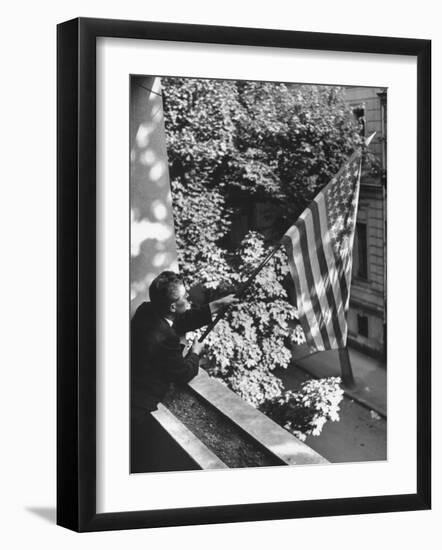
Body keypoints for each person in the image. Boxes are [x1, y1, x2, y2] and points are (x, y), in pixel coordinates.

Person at [130, 270, 239, 472]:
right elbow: (183, 374)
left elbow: (183, 319)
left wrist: (218, 304)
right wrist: (195, 353)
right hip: (138, 410)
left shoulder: (147, 310)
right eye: (185, 297)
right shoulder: (166, 339)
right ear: (172, 306)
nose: (189, 298)